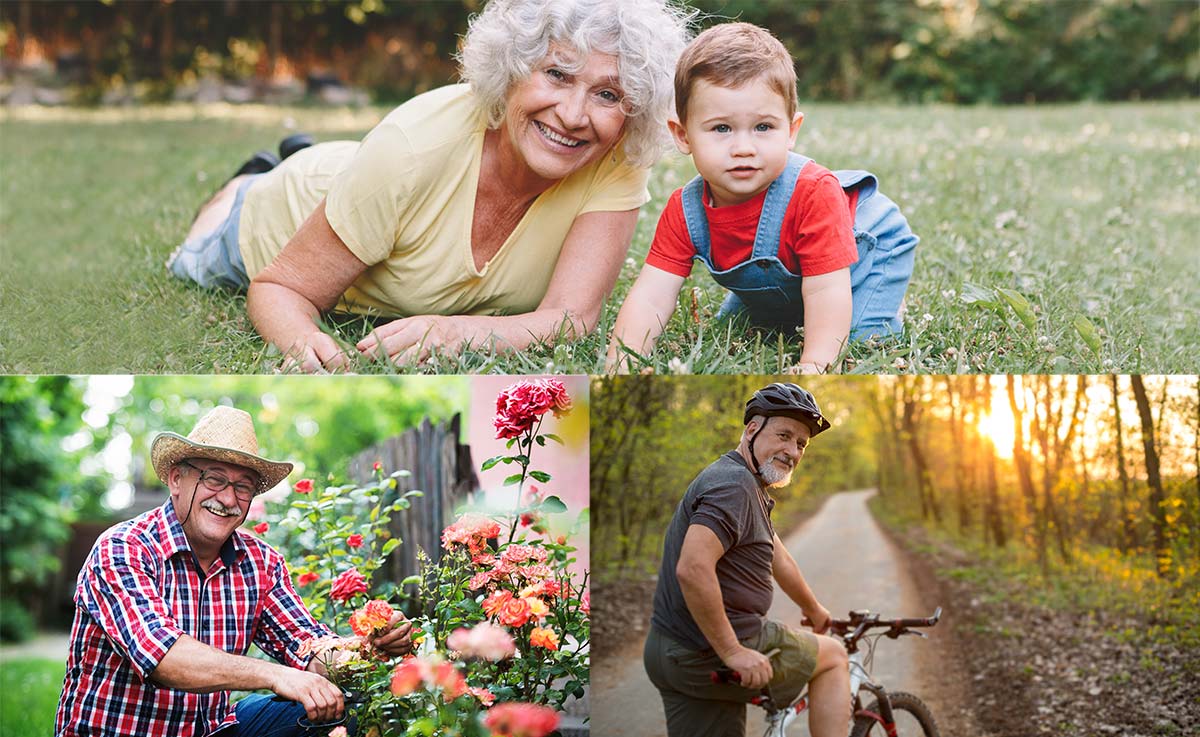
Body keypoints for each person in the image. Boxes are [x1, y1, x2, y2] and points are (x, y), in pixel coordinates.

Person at [167, 0, 692, 372]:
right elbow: (279, 287)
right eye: (556, 75)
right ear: (510, 70)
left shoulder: (615, 154)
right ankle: (247, 179)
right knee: (195, 253)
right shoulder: (414, 146)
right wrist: (305, 343)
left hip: (369, 182)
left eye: (606, 93)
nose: (575, 115)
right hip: (278, 212)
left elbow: (572, 318)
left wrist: (452, 331)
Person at [54, 406, 413, 736]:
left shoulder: (261, 563)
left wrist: (368, 645)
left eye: (243, 487)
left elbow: (307, 646)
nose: (228, 499)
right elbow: (165, 659)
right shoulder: (123, 549)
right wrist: (275, 675)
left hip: (211, 731)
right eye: (214, 479)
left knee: (335, 706)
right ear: (176, 479)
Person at [608, 23, 918, 374]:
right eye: (721, 128)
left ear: (791, 131)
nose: (744, 148)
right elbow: (652, 295)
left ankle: (884, 300)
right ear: (683, 135)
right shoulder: (685, 210)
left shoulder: (813, 193)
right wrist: (623, 360)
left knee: (858, 334)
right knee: (737, 331)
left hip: (866, 257)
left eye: (763, 127)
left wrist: (815, 364)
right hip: (797, 276)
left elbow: (825, 290)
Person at [643, 383, 851, 737]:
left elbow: (777, 555)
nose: (792, 451)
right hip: (707, 650)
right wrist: (732, 651)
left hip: (669, 651)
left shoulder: (742, 481)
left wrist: (814, 610)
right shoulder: (735, 486)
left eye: (801, 444)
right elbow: (693, 568)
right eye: (784, 435)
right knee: (833, 658)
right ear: (752, 429)